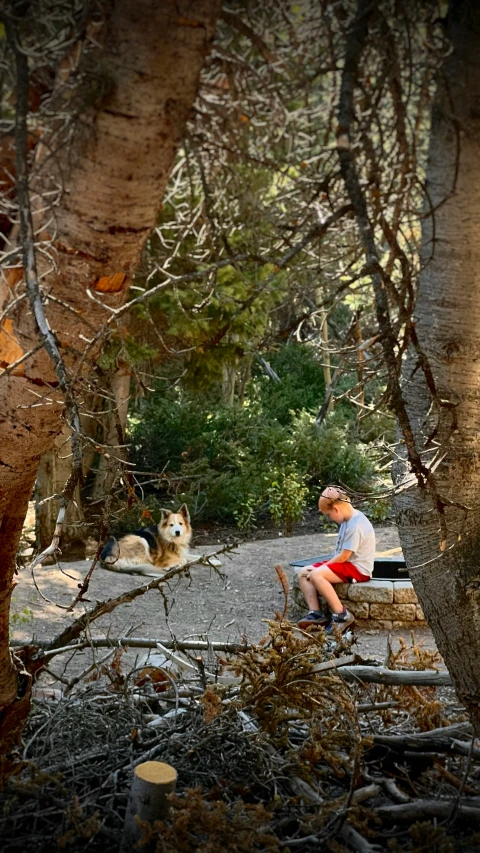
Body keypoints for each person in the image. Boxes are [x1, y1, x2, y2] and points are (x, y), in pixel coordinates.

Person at [297, 485, 375, 633]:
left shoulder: (356, 525)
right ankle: (316, 614)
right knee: (303, 573)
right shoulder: (347, 520)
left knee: (315, 574)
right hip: (344, 563)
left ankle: (342, 614)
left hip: (357, 568)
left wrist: (321, 568)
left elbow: (344, 556)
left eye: (328, 514)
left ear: (336, 510)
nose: (330, 518)